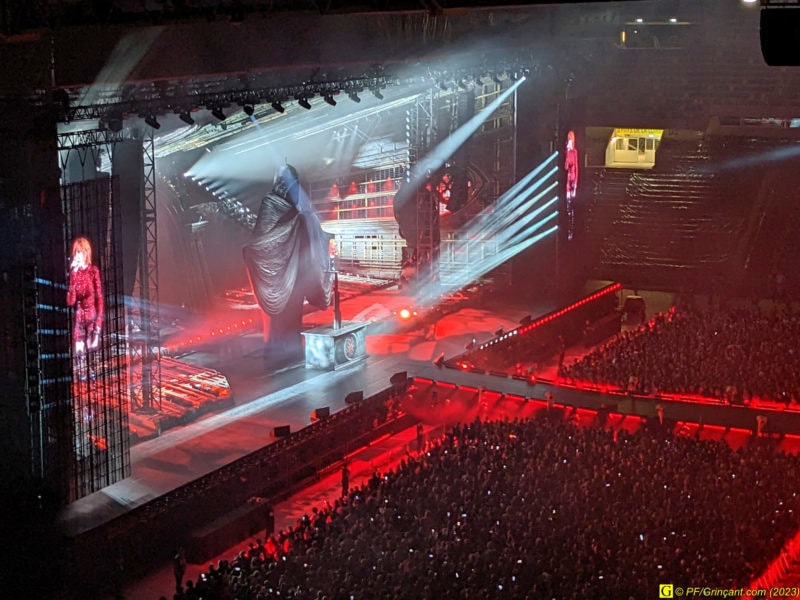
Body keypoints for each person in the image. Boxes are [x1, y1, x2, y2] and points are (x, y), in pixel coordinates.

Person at [243, 164, 333, 363]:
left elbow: (314, 233)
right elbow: (262, 240)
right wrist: (296, 222)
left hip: (298, 273)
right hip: (278, 274)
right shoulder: (271, 204)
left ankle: (291, 351)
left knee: (294, 315)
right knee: (278, 319)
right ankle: (277, 352)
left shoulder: (302, 207)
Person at [67, 236, 103, 381]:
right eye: (76, 252)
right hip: (79, 318)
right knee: (79, 352)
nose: (77, 256)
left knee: (92, 352)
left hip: (92, 317)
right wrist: (72, 277)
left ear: (86, 253)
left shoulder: (93, 271)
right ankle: (82, 376)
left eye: (80, 252)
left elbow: (99, 298)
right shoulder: (74, 274)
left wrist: (98, 326)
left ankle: (93, 375)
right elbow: (71, 301)